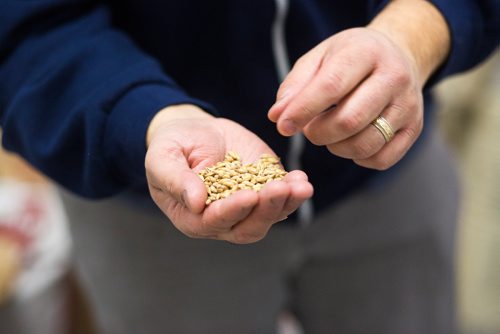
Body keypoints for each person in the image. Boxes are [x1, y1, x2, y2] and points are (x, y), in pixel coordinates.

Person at [0, 0, 498, 333]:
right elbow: (25, 28)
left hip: (391, 181)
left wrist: (412, 38)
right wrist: (148, 117)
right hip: (151, 200)